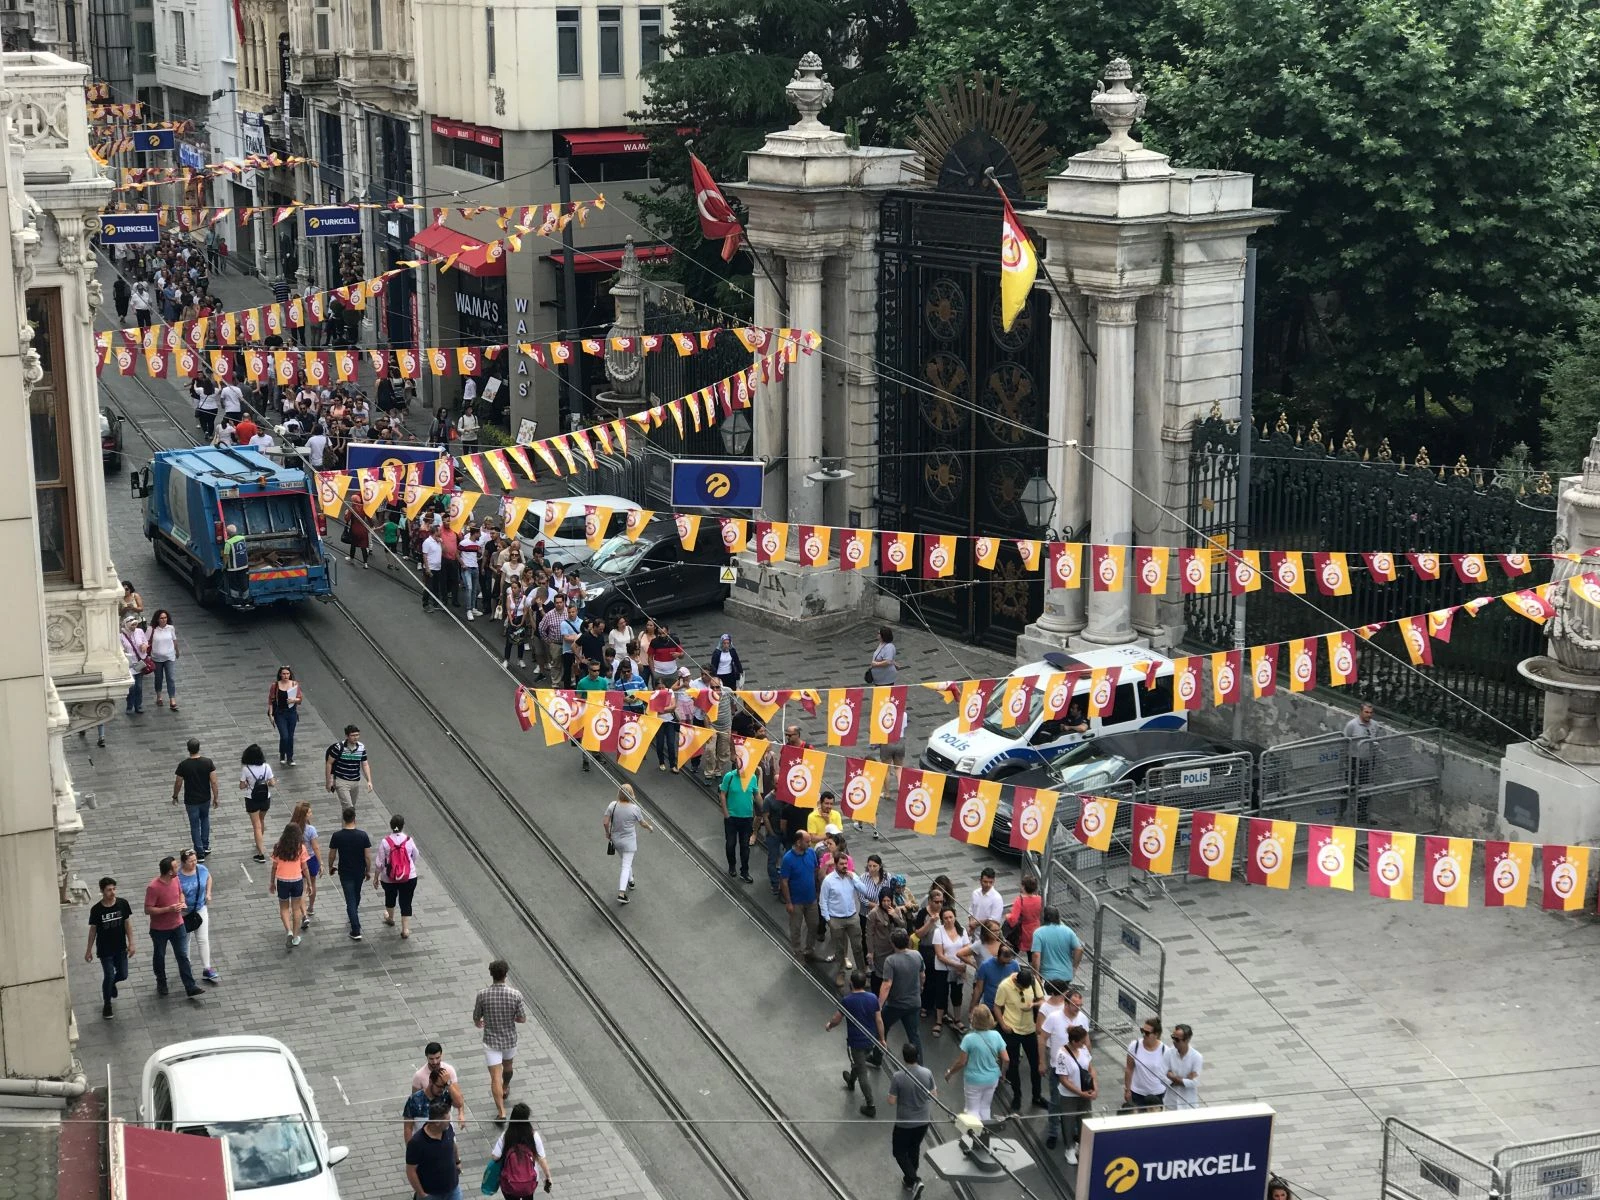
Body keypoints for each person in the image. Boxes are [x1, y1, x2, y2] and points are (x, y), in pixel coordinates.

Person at [472, 959, 528, 1121]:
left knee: (495, 1076)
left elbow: (476, 1018)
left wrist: (480, 1023)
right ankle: (505, 1087)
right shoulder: (515, 994)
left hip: (491, 1041)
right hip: (509, 1039)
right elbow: (522, 1019)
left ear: (491, 974)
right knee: (508, 1067)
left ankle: (501, 1112)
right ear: (506, 974)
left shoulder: (482, 995)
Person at [826, 971, 886, 1117]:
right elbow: (878, 1020)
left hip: (855, 1043)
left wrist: (829, 1025)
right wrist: (882, 1039)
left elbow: (837, 1019)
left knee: (862, 1071)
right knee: (858, 1064)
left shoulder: (848, 1000)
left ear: (851, 983)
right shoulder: (872, 998)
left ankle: (870, 1104)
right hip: (870, 1041)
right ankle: (851, 1081)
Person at [144, 856, 204, 1000]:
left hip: (178, 925)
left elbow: (180, 893)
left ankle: (190, 986)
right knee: (159, 956)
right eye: (175, 867)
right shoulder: (153, 887)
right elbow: (148, 909)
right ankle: (161, 981)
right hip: (160, 929)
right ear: (169, 872)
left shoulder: (176, 879)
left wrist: (181, 902)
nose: (178, 868)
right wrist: (168, 909)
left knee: (182, 956)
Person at [818, 851, 875, 988]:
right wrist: (828, 919)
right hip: (836, 919)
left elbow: (864, 890)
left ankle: (861, 974)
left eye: (846, 863)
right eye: (842, 864)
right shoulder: (828, 880)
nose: (845, 866)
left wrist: (854, 878)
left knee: (858, 947)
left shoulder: (852, 876)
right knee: (839, 948)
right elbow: (823, 901)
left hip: (852, 917)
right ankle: (841, 972)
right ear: (836, 864)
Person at [993, 964, 1045, 1110]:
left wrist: (1033, 1005)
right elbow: (997, 1006)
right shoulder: (1005, 986)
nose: (1023, 990)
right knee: (1013, 1065)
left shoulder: (1033, 982)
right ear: (1016, 982)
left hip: (1030, 1030)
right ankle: (1017, 1095)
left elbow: (1042, 1001)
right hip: (1012, 1030)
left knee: (1035, 1064)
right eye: (1021, 988)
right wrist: (1003, 1025)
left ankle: (1037, 1095)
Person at [945, 1004, 1008, 1122]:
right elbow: (1006, 1059)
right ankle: (985, 1134)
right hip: (992, 1079)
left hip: (973, 1080)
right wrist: (1002, 1073)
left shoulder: (969, 1039)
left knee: (972, 1110)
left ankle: (974, 1136)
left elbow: (961, 1062)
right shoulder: (996, 1035)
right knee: (985, 1107)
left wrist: (950, 1073)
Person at [888, 1043, 936, 1194]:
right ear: (918, 1056)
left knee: (899, 1151)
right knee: (914, 1148)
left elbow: (891, 1101)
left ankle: (915, 1180)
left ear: (904, 1057)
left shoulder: (898, 1077)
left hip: (905, 1122)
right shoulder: (927, 1073)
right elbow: (934, 1095)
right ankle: (909, 1181)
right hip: (923, 1120)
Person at [85, 876, 135, 1020]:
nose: (112, 892)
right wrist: (89, 950)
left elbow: (127, 924)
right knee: (109, 975)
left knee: (123, 974)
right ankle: (107, 1004)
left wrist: (131, 943)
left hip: (120, 947)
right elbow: (93, 930)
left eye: (114, 889)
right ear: (102, 891)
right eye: (109, 890)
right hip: (105, 949)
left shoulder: (122, 904)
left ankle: (111, 984)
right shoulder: (96, 910)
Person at [877, 929, 925, 1059]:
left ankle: (877, 1056)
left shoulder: (890, 961)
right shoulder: (917, 955)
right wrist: (920, 988)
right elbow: (922, 975)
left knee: (882, 1028)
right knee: (914, 1035)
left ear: (893, 944)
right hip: (914, 1003)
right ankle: (919, 1065)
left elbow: (887, 985)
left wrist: (879, 1005)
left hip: (896, 1005)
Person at [327, 806, 372, 940]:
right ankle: (355, 923)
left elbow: (332, 854)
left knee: (350, 899)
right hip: (359, 871)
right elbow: (367, 857)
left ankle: (355, 928)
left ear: (344, 819)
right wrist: (368, 870)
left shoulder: (337, 836)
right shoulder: (363, 835)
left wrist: (331, 866)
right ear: (354, 819)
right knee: (355, 895)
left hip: (345, 872)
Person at [603, 783, 652, 904]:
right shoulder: (634, 808)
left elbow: (605, 822)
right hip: (629, 842)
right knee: (626, 865)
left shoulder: (613, 805)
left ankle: (631, 881)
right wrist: (650, 827)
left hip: (616, 840)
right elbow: (642, 823)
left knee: (626, 862)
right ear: (631, 794)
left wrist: (607, 833)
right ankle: (621, 893)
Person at [405, 1096, 461, 1200]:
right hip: (431, 1194)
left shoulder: (448, 1129)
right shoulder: (417, 1142)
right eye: (447, 1120)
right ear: (437, 1122)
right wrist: (422, 1194)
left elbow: (453, 1144)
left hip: (453, 1189)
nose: (450, 1122)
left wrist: (458, 1161)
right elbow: (410, 1171)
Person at [171, 739, 219, 861]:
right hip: (205, 798)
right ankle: (205, 846)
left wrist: (175, 795)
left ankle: (199, 851)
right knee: (205, 820)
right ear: (199, 748)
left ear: (188, 749)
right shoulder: (208, 762)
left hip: (191, 800)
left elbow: (178, 782)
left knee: (194, 825)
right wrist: (216, 797)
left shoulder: (184, 765)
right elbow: (213, 781)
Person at [492, 1102, 553, 1198]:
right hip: (529, 1182)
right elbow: (541, 1159)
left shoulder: (506, 1136)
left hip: (509, 1182)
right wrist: (548, 1177)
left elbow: (495, 1157)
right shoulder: (533, 1136)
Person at [176, 848, 219, 984]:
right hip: (183, 913)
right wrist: (180, 902)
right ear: (183, 862)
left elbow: (209, 877)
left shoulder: (201, 869)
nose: (194, 863)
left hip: (199, 909)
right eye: (191, 861)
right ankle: (186, 967)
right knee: (185, 941)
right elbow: (175, 891)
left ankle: (207, 968)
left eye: (195, 860)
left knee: (203, 939)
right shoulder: (177, 877)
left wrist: (208, 893)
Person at [1056, 1024, 1097, 1164]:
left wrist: (1094, 1088)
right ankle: (1069, 1148)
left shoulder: (1084, 1049)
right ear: (1074, 1041)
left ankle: (1082, 1145)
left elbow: (1091, 1069)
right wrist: (1080, 1093)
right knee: (1068, 1121)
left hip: (1085, 1093)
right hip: (1069, 1096)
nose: (1085, 1043)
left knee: (1085, 1120)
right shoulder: (1062, 1055)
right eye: (1082, 1041)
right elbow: (1063, 1080)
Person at [779, 830, 822, 960]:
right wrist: (788, 902)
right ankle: (797, 951)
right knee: (796, 928)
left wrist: (817, 890)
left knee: (814, 925)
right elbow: (784, 881)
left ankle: (810, 950)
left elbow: (815, 870)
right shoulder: (788, 859)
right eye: (807, 841)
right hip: (796, 901)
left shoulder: (811, 853)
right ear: (798, 842)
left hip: (811, 898)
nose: (810, 844)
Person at [930, 907, 972, 1037]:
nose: (948, 920)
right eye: (946, 918)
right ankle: (939, 1021)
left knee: (957, 993)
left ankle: (957, 1019)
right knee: (941, 993)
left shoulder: (962, 931)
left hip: (958, 968)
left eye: (951, 917)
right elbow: (939, 955)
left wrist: (963, 965)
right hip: (943, 969)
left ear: (955, 917)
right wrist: (956, 965)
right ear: (942, 920)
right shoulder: (938, 932)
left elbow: (967, 949)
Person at [268, 821, 310, 948]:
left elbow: (274, 867)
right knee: (296, 909)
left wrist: (272, 882)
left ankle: (289, 931)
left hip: (282, 881)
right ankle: (296, 937)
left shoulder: (278, 847)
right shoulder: (300, 848)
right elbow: (305, 867)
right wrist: (309, 882)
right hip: (297, 880)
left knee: (284, 908)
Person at [378, 814, 420, 938]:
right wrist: (409, 866)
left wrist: (376, 877)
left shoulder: (385, 841)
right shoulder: (409, 840)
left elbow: (380, 862)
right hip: (409, 876)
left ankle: (390, 918)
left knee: (390, 896)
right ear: (403, 826)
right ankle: (405, 929)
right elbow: (416, 854)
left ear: (391, 826)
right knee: (406, 901)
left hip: (389, 877)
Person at [718, 758, 759, 882]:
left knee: (745, 846)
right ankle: (732, 865)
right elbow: (723, 794)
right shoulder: (729, 777)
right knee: (730, 844)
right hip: (731, 818)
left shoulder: (752, 778)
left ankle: (744, 871)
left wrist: (764, 808)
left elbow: (756, 795)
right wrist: (726, 813)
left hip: (747, 818)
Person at [1029, 906, 1084, 987]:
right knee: (1062, 998)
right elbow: (1079, 949)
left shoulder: (1038, 933)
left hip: (1047, 977)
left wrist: (1036, 974)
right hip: (1066, 975)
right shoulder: (1068, 931)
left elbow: (1036, 955)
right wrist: (1074, 967)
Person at [240, 743, 275, 862]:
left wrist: (247, 783)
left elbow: (241, 785)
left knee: (256, 826)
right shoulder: (266, 766)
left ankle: (261, 853)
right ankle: (259, 842)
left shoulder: (246, 769)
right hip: (265, 797)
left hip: (251, 799)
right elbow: (272, 783)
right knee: (261, 821)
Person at [1123, 1017, 1167, 1112]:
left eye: (1147, 1033)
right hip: (1138, 1093)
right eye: (1142, 1031)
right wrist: (1127, 1090)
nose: (1143, 1034)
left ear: (1156, 1034)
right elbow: (1129, 1069)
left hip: (1157, 1094)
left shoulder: (1165, 1051)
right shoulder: (1134, 1046)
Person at [290, 800, 322, 925]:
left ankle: (303, 913)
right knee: (312, 883)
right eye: (309, 812)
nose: (311, 813)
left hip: (298, 860)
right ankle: (311, 907)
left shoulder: (292, 827)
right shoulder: (311, 830)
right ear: (304, 815)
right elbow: (316, 848)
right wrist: (321, 863)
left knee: (302, 887)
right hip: (311, 859)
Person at [326, 724, 374, 806]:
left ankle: (347, 819)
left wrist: (369, 781)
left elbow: (365, 764)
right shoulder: (338, 747)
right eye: (353, 735)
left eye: (357, 735)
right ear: (347, 736)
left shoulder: (361, 747)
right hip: (341, 781)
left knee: (349, 811)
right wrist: (328, 781)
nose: (356, 737)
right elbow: (329, 763)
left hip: (355, 782)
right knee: (349, 807)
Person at [268, 665, 303, 765]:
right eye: (283, 674)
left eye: (287, 674)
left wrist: (294, 700)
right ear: (280, 674)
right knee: (284, 736)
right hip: (280, 713)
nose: (286, 676)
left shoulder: (294, 684)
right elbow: (271, 700)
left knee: (290, 736)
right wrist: (271, 714)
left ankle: (290, 757)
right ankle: (282, 753)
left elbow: (300, 699)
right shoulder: (275, 685)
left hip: (291, 713)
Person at [1163, 1023, 1203, 1109]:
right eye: (1173, 1037)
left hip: (1188, 1105)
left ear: (1187, 1040)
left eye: (1177, 1039)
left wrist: (1173, 1078)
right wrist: (1184, 1081)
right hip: (1171, 1103)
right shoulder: (1168, 1053)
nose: (1174, 1041)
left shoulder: (1196, 1057)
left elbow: (1194, 1082)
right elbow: (1161, 1076)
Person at [147, 609, 179, 709]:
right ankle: (159, 696)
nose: (164, 620)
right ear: (157, 619)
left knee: (171, 678)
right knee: (158, 678)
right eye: (161, 618)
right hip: (156, 658)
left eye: (165, 618)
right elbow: (145, 641)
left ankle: (172, 699)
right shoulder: (151, 629)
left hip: (169, 656)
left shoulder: (171, 628)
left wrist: (177, 651)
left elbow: (174, 640)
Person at [1006, 873, 1044, 957]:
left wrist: (1007, 916)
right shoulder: (1040, 899)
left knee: (1013, 951)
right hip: (1036, 930)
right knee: (1032, 954)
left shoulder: (1020, 900)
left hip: (1023, 932)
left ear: (1023, 886)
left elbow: (1013, 920)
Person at [120, 616, 148, 715]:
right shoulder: (121, 636)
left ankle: (138, 706)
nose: (134, 627)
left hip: (139, 663)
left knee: (139, 687)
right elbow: (120, 650)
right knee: (131, 687)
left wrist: (144, 646)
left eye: (135, 624)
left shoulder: (140, 631)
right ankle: (129, 705)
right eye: (132, 625)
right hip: (129, 665)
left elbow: (145, 641)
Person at [221, 523, 248, 599]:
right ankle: (245, 598)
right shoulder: (242, 538)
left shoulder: (228, 543)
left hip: (233, 568)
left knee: (234, 584)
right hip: (244, 565)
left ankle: (235, 598)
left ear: (227, 532)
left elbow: (226, 556)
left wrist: (223, 566)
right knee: (244, 582)